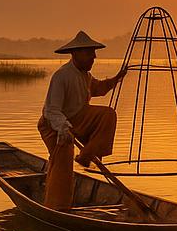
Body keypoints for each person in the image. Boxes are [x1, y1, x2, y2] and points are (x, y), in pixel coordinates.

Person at [37, 31, 127, 210]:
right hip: (53, 125)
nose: (93, 58)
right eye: (89, 54)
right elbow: (51, 110)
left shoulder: (85, 75)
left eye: (94, 54)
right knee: (62, 162)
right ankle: (57, 207)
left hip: (77, 119)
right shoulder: (62, 76)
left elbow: (98, 88)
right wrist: (63, 129)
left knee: (108, 115)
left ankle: (86, 156)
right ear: (76, 54)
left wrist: (116, 79)